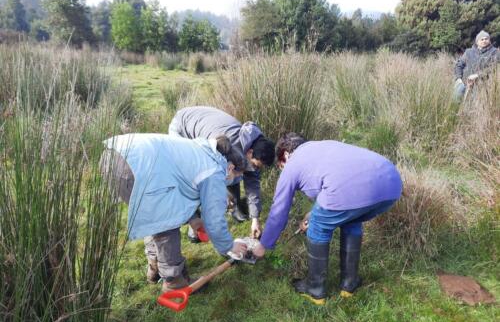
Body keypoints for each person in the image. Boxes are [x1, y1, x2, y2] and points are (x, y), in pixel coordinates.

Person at [252, 133, 403, 305]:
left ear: (286, 154)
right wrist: (313, 213)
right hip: (392, 185)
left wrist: (263, 245)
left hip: (350, 192)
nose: (282, 169)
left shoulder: (293, 163)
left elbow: (278, 211)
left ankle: (315, 289)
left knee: (317, 227)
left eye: (280, 166)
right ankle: (349, 284)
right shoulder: (323, 147)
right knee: (352, 219)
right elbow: (339, 181)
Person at [101, 133, 248, 292]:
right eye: (235, 177)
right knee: (166, 224)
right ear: (231, 167)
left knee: (154, 217)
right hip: (133, 167)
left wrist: (193, 218)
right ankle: (174, 281)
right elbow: (214, 220)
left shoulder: (204, 150)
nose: (231, 182)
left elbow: (179, 183)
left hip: (114, 155)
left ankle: (155, 266)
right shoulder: (214, 170)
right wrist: (229, 245)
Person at [168, 106, 275, 240]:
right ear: (250, 152)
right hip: (183, 128)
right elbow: (207, 176)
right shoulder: (224, 144)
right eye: (255, 164)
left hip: (204, 124)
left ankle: (234, 206)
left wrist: (255, 220)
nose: (255, 168)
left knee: (236, 172)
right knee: (192, 179)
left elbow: (252, 183)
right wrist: (221, 193)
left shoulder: (254, 146)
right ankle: (194, 224)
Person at [454, 30, 499, 100]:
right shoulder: (468, 52)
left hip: (482, 84)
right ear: (477, 41)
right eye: (482, 39)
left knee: (474, 105)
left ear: (489, 40)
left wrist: (477, 75)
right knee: (455, 100)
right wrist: (458, 78)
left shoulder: (495, 52)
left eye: (486, 39)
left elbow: (492, 68)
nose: (484, 41)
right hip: (464, 82)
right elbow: (459, 65)